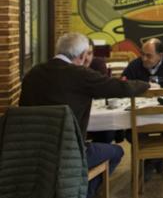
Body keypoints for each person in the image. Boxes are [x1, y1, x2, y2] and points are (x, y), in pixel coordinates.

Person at [19, 32, 150, 198]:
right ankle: (85, 191)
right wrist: (146, 84)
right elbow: (120, 88)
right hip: (68, 153)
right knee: (117, 151)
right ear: (82, 55)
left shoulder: (33, 73)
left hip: (32, 152)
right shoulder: (80, 75)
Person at [122, 38, 163, 177]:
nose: (144, 58)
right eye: (142, 54)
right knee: (130, 133)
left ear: (160, 55)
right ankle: (155, 159)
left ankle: (151, 161)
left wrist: (160, 88)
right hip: (140, 115)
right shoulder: (135, 65)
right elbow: (124, 82)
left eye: (148, 55)